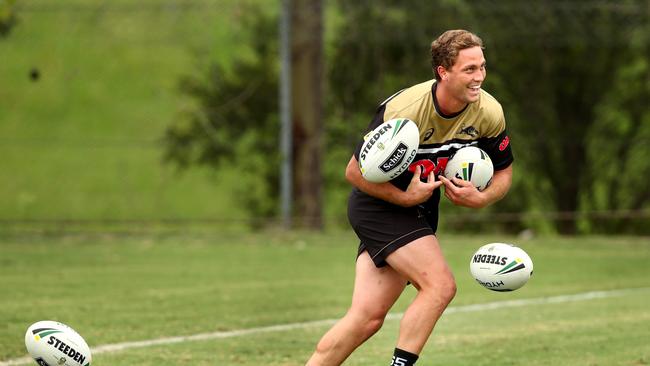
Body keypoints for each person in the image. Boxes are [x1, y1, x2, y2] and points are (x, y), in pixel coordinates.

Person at [306, 29, 514, 366]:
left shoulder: (488, 111)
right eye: (469, 70)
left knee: (367, 319)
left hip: (420, 210)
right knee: (441, 287)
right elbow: (353, 172)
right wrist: (404, 198)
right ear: (443, 72)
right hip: (380, 205)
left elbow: (505, 170)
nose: (479, 78)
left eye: (482, 67)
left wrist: (482, 198)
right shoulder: (405, 109)